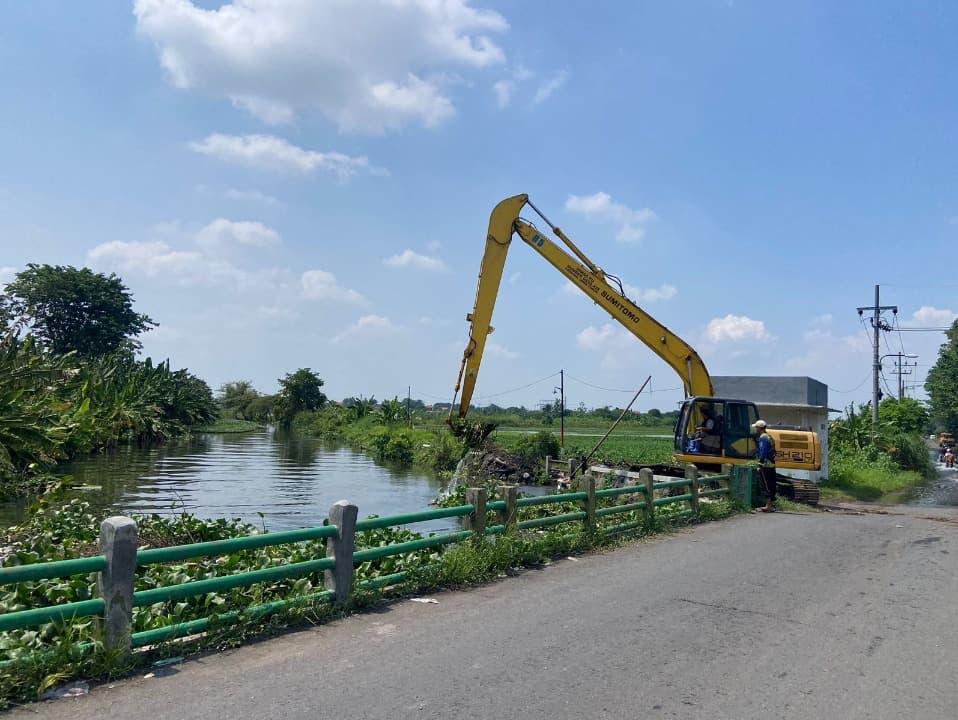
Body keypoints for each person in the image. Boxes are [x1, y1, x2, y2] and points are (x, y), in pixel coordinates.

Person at [752, 419, 777, 512]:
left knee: (767, 485)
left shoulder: (763, 437)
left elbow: (763, 452)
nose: (755, 429)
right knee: (771, 484)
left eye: (756, 427)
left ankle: (768, 506)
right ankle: (771, 505)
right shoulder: (769, 436)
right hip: (772, 464)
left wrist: (760, 464)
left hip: (766, 464)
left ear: (759, 428)